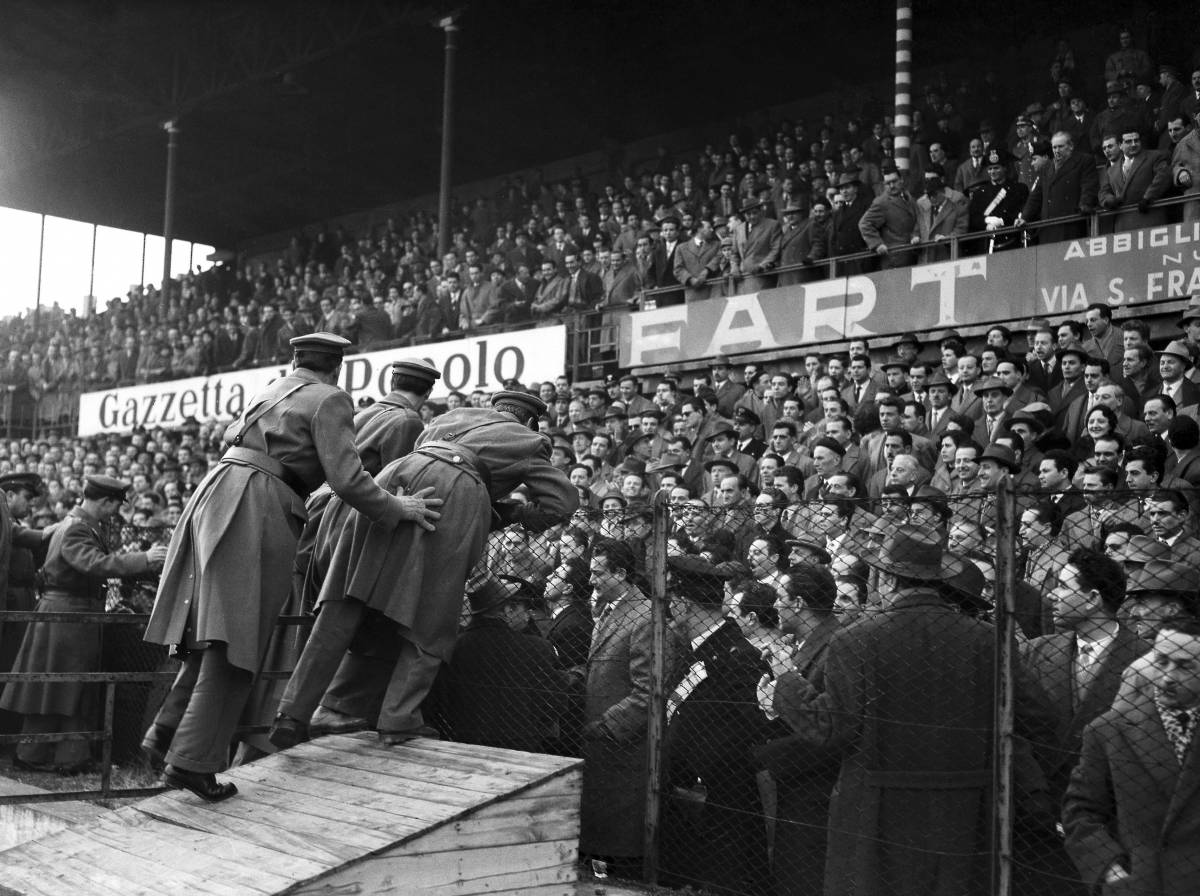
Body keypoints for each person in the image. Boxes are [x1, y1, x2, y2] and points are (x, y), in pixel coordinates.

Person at [143, 333, 439, 803]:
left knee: (206, 630)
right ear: (337, 368)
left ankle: (165, 734)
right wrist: (396, 507)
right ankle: (191, 762)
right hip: (258, 503)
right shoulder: (331, 398)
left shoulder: (272, 389)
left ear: (296, 360)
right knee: (236, 639)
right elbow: (347, 479)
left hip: (214, 493)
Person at [270, 389, 576, 749]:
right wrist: (515, 514)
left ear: (494, 409)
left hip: (394, 480)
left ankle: (292, 713)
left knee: (349, 599)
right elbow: (563, 501)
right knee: (434, 613)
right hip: (458, 492)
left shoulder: (451, 417)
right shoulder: (530, 439)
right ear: (528, 420)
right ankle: (398, 719)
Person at [764, 525, 1043, 896]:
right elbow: (1037, 719)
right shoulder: (988, 640)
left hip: (874, 814)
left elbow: (830, 729)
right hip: (965, 812)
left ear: (887, 577)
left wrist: (786, 680)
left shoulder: (857, 638)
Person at [1, 476, 167, 773]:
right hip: (67, 615)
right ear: (104, 502)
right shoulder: (77, 527)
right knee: (60, 687)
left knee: (67, 688)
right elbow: (94, 564)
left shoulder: (79, 524)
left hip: (72, 615)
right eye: (113, 507)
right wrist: (144, 559)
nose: (113, 514)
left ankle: (65, 756)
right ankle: (43, 755)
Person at [1063, 616, 1200, 896]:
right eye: (1161, 662)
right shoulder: (1108, 730)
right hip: (1142, 884)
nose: (1167, 677)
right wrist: (1110, 871)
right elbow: (1081, 811)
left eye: (1185, 666)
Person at [659, 555, 769, 896]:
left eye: (670, 604)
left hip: (722, 811)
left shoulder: (737, 656)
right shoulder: (702, 650)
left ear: (681, 604)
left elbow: (739, 736)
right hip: (694, 807)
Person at [581, 538, 657, 879]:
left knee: (619, 842)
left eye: (598, 573)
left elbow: (648, 691)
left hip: (621, 747)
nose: (591, 580)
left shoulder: (643, 618)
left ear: (621, 573)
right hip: (602, 746)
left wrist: (607, 725)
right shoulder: (610, 610)